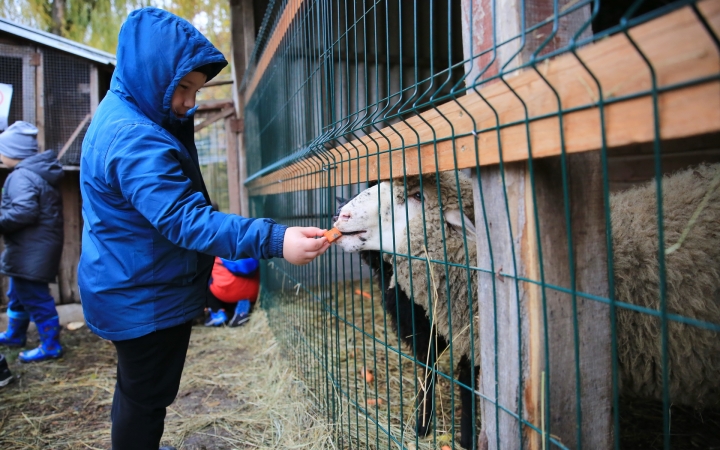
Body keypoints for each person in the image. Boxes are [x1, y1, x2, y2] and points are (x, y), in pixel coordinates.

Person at [78, 8, 330, 450]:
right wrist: (275, 238)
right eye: (183, 88)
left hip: (129, 283)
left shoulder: (124, 114)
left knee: (138, 392)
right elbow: (184, 219)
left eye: (196, 89)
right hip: (144, 297)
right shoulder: (136, 138)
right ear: (152, 74)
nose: (190, 103)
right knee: (146, 397)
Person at [0, 121, 64, 363]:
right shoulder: (35, 173)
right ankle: (15, 335)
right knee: (17, 293)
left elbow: (24, 211)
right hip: (33, 248)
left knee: (35, 296)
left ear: (12, 153)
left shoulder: (21, 176)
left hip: (31, 250)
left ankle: (51, 345)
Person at [204, 257, 260, 327]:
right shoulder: (253, 249)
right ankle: (240, 311)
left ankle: (217, 313)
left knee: (206, 282)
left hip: (225, 292)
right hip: (253, 292)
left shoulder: (217, 251)